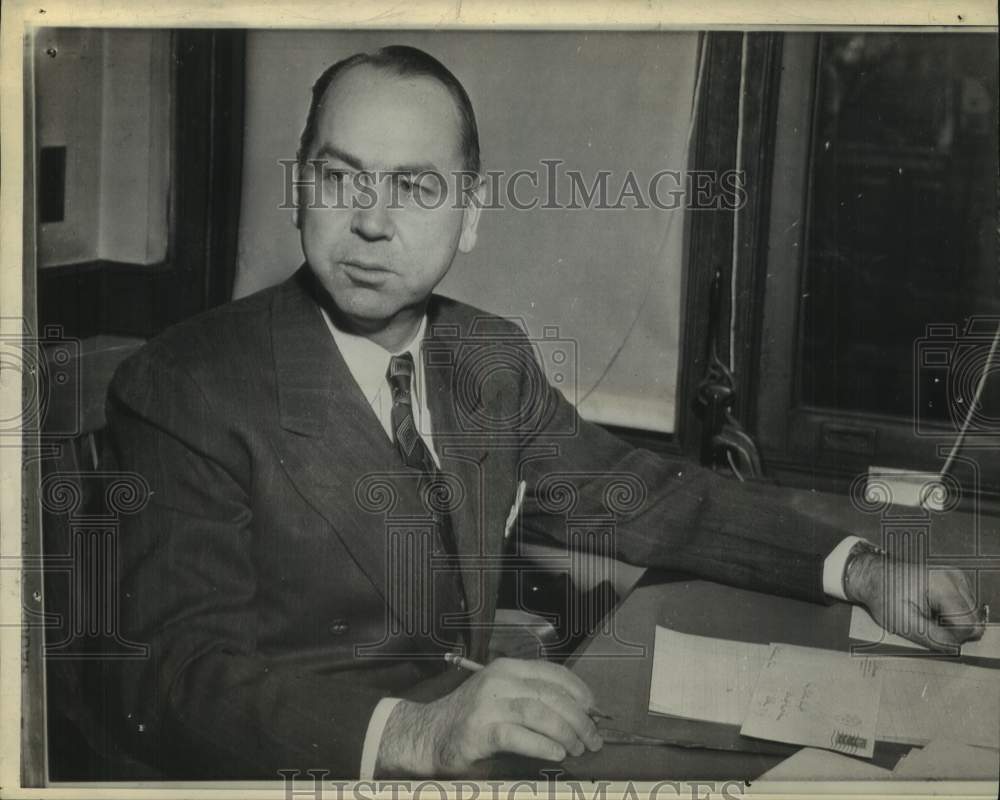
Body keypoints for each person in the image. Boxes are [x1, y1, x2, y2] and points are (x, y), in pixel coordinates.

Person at [106, 45, 985, 780]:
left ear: (470, 215)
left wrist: (863, 569)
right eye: (341, 178)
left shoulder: (482, 357)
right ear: (299, 188)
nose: (370, 221)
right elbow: (175, 681)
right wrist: (419, 733)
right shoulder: (188, 384)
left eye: (415, 188)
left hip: (473, 741)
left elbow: (642, 494)